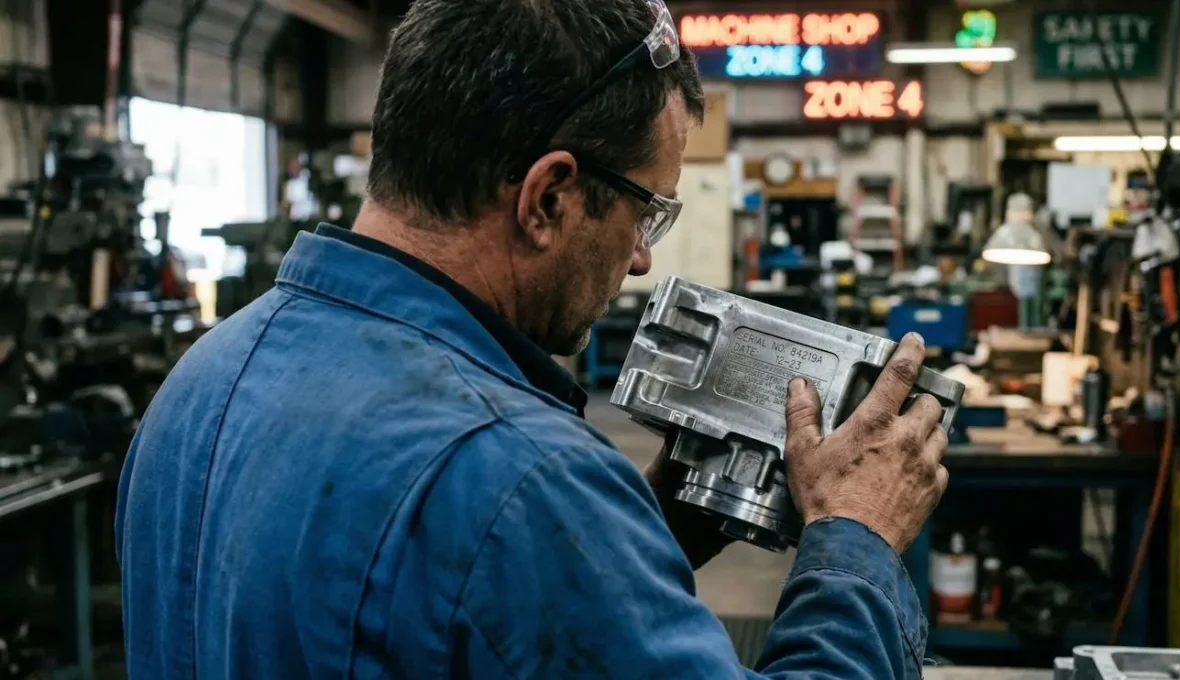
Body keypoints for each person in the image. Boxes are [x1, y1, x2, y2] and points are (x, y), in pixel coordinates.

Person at [114, 0, 950, 677]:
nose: (638, 259)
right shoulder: (520, 478)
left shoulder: (200, 382)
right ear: (549, 196)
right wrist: (858, 541)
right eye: (645, 211)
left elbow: (434, 620)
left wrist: (634, 535)